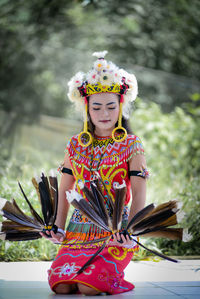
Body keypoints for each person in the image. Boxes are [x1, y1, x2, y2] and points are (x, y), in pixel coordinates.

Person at [41, 51, 149, 295]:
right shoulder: (75, 145)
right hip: (78, 232)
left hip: (115, 233)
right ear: (86, 109)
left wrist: (129, 231)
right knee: (61, 286)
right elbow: (66, 187)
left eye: (111, 107)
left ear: (120, 107)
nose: (104, 114)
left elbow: (140, 193)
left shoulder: (132, 145)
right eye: (97, 107)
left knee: (88, 287)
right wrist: (57, 227)